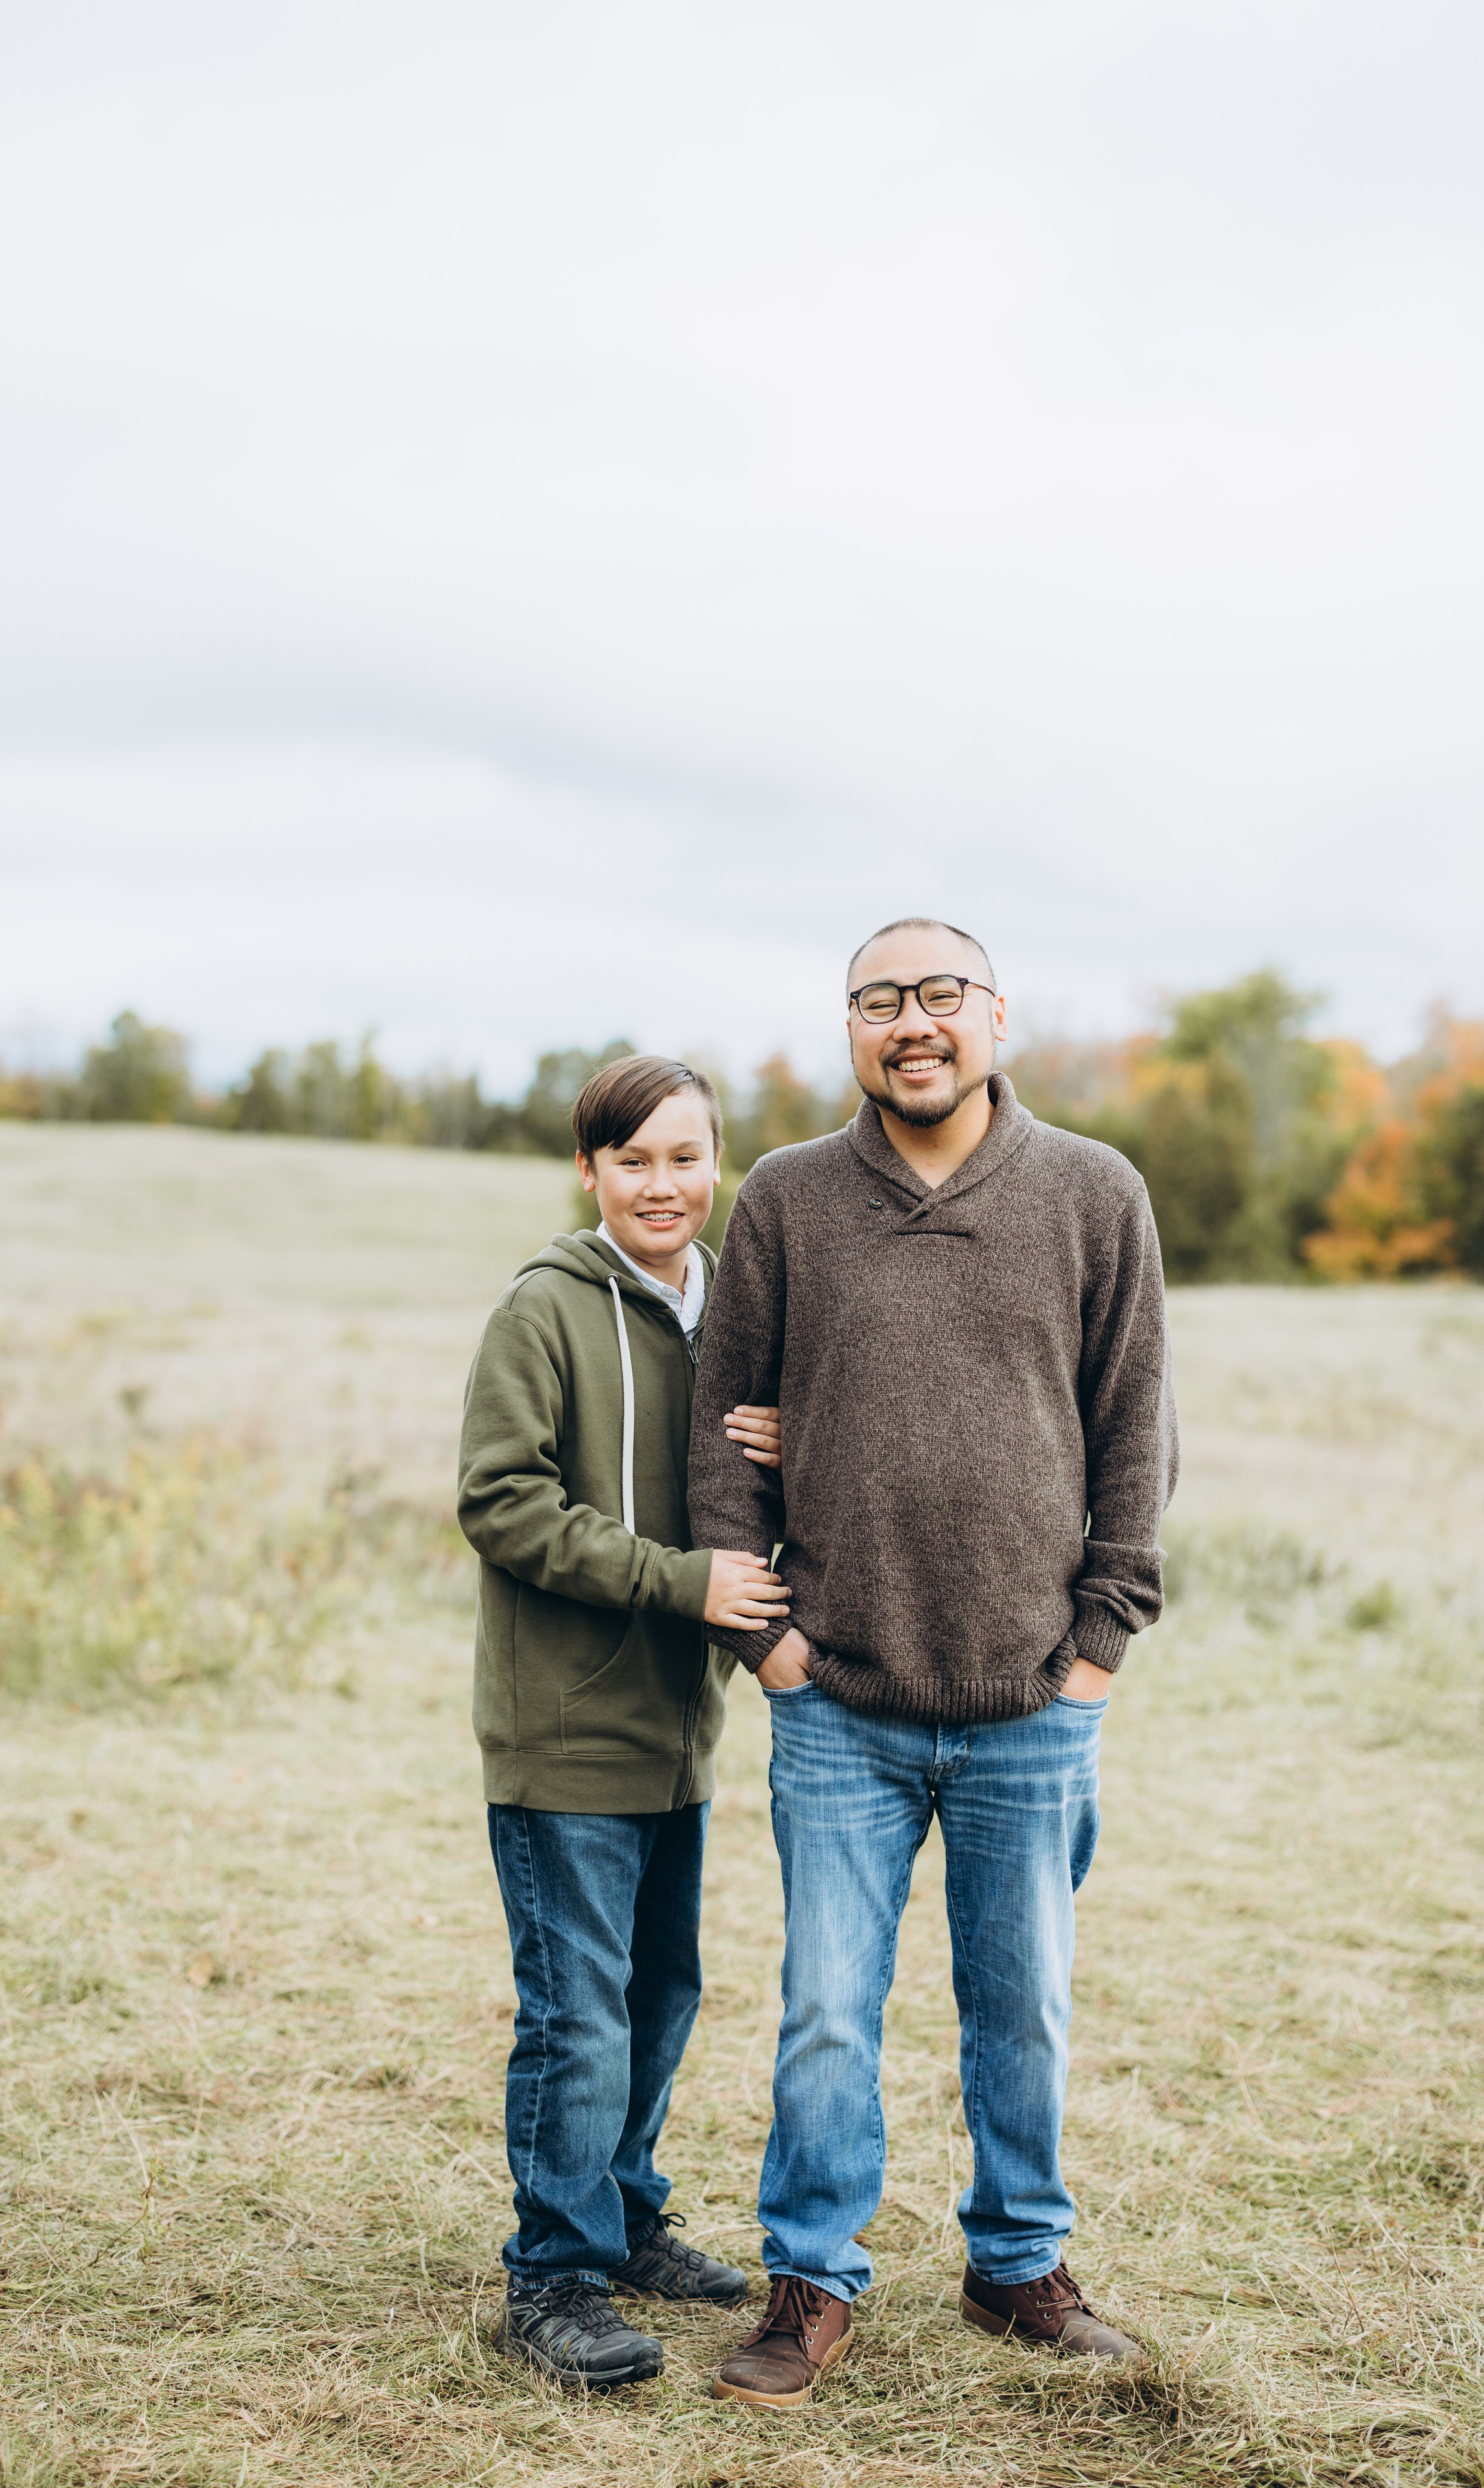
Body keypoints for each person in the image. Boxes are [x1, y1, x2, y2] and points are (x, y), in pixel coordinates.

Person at [688, 917, 1180, 2408]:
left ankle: (1016, 2262)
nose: (912, 1022)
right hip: (835, 1700)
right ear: (851, 1030)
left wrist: (1096, 1648)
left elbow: (1134, 1434)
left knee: (1019, 2000)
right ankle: (810, 2280)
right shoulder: (782, 1199)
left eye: (938, 995)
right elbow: (723, 1441)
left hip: (1032, 1701)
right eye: (877, 1000)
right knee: (826, 2006)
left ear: (995, 1017)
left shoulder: (1093, 1194)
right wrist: (770, 1649)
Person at [457, 1052, 788, 2391]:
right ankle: (552, 2277)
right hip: (564, 1733)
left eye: (685, 1157)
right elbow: (500, 1500)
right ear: (590, 1172)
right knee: (578, 2016)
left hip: (674, 1732)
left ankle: (628, 2212)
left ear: (719, 1166)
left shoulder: (723, 1317)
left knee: (659, 1996)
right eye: (633, 1159)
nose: (663, 1184)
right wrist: (678, 1582)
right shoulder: (543, 1311)